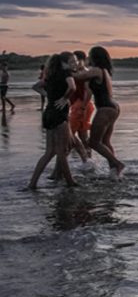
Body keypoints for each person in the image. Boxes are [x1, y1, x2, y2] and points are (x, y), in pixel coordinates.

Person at [72, 46, 125, 177]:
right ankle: (114, 171)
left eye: (90, 55)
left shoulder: (96, 70)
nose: (88, 57)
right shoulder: (104, 71)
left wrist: (62, 71)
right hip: (113, 108)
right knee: (105, 142)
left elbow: (79, 77)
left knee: (93, 142)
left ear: (95, 57)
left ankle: (116, 163)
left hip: (105, 108)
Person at [28, 52, 78, 189]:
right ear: (63, 64)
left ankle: (32, 183)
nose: (76, 64)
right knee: (61, 151)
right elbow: (72, 87)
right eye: (72, 62)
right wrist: (65, 98)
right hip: (59, 114)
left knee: (49, 152)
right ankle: (70, 182)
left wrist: (48, 95)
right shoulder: (66, 73)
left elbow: (36, 86)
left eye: (76, 61)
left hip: (48, 113)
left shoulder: (51, 75)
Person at [67, 50, 93, 161]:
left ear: (82, 60)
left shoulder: (85, 73)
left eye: (76, 61)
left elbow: (89, 91)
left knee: (69, 134)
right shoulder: (76, 72)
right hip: (77, 105)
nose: (74, 63)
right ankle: (88, 160)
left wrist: (83, 106)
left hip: (82, 104)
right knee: (83, 135)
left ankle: (84, 158)